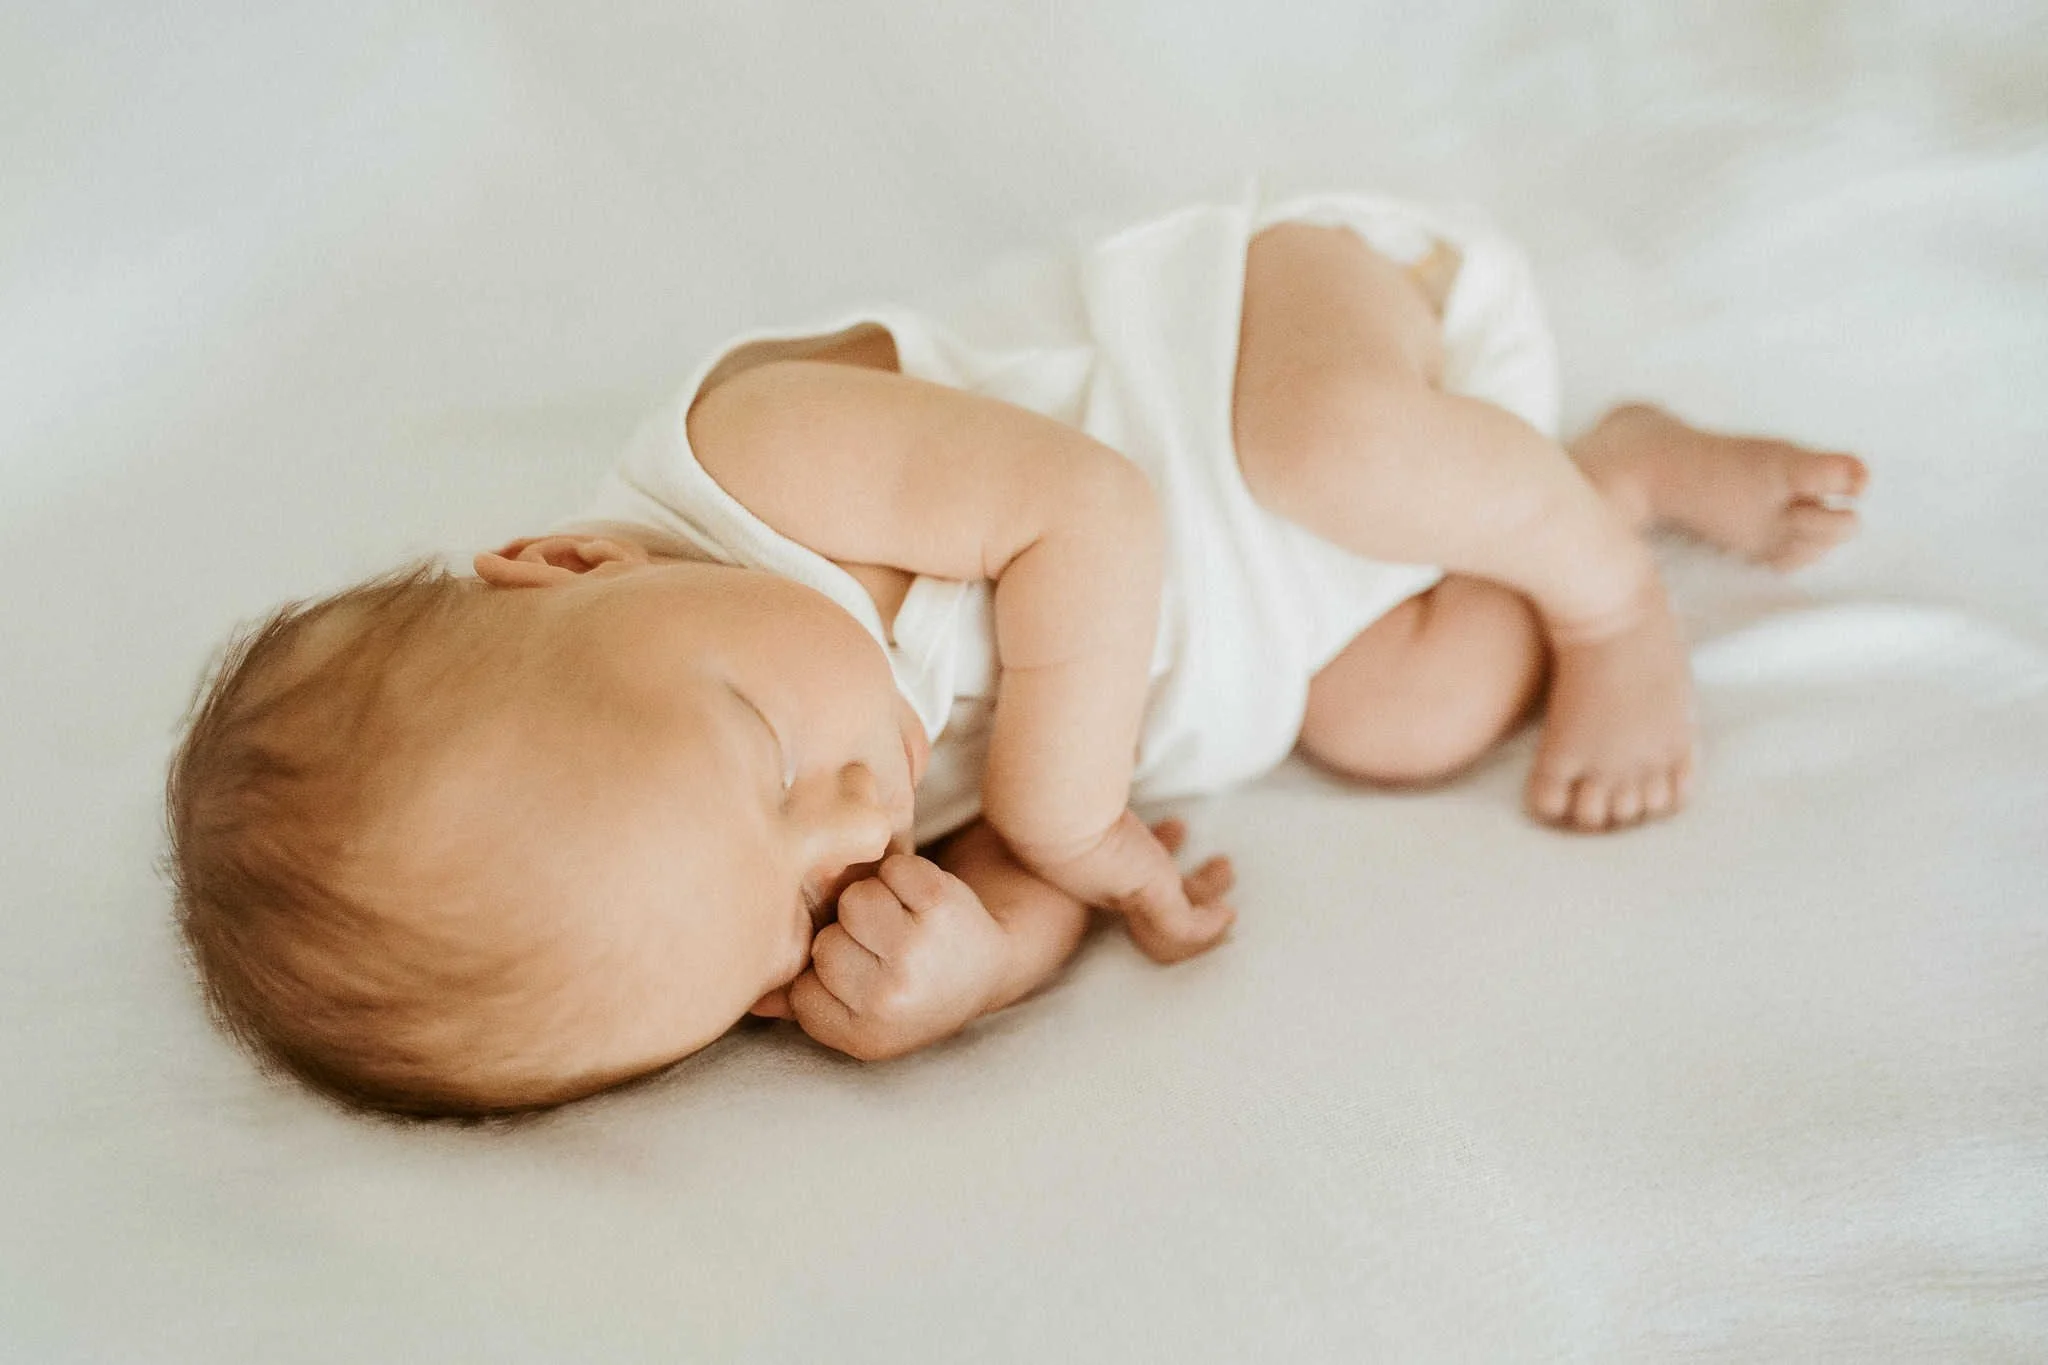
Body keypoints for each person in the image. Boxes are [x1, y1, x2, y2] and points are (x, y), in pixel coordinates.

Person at [164, 190, 1867, 1118]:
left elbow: (1091, 514)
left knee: (1344, 441)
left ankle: (1608, 603)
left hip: (1267, 346)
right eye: (791, 930)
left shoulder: (758, 464)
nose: (853, 816)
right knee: (1407, 721)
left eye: (766, 751)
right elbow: (1000, 873)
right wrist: (977, 966)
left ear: (563, 564)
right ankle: (1614, 479)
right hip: (1313, 605)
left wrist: (1058, 817)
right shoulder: (723, 879)